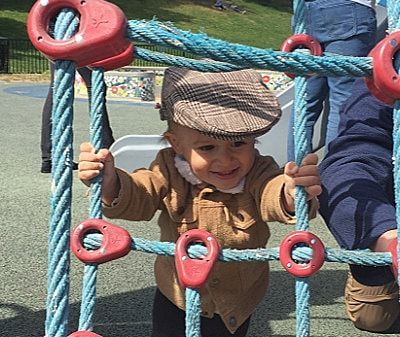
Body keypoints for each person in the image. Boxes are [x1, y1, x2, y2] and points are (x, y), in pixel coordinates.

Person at [78, 67, 322, 337]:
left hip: (236, 301)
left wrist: (291, 192)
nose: (226, 160)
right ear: (176, 145)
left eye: (239, 144)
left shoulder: (259, 171)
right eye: (207, 148)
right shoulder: (168, 170)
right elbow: (141, 194)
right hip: (177, 294)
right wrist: (110, 183)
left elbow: (271, 192)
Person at [318, 78, 400, 332]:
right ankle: (370, 257)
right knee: (373, 318)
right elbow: (348, 165)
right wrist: (386, 237)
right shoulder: (390, 66)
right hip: (391, 224)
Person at [287, 0, 377, 161]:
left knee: (304, 101)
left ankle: (294, 176)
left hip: (308, 11)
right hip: (350, 10)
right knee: (343, 103)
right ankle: (332, 175)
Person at [41, 62, 115, 173]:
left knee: (58, 87)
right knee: (95, 85)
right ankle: (105, 146)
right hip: (77, 44)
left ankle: (50, 157)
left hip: (55, 44)